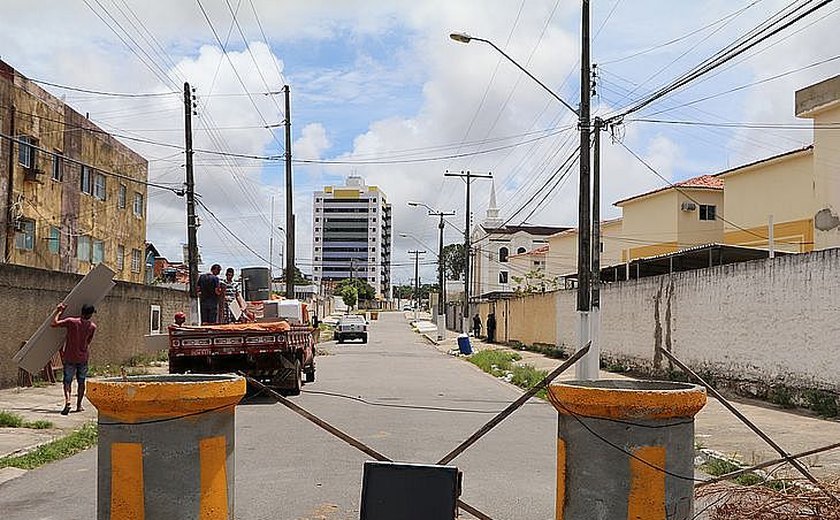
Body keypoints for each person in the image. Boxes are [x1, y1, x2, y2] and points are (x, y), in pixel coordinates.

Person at [50, 302, 96, 415]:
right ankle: (79, 405)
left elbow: (54, 323)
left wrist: (59, 311)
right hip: (83, 358)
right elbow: (88, 342)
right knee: (81, 382)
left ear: (81, 312)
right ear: (90, 315)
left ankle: (68, 401)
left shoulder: (71, 321)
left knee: (67, 381)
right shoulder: (92, 327)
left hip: (70, 357)